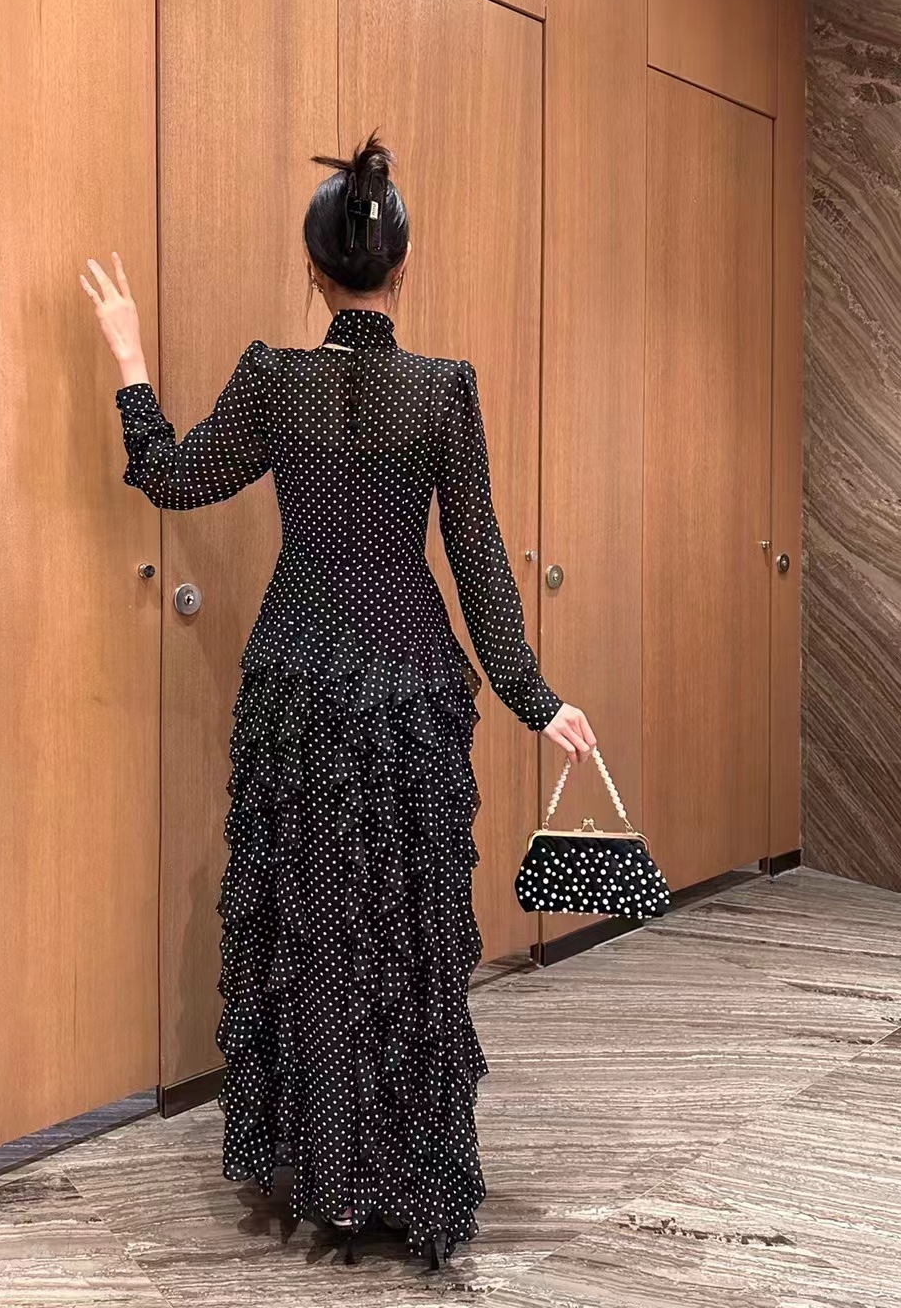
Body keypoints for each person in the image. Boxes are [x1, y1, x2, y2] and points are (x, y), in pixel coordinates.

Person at [80, 133, 596, 1271]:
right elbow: (478, 562)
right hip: (410, 691)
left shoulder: (277, 380)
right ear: (400, 271)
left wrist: (128, 355)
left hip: (300, 687)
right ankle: (405, 1174)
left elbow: (172, 476)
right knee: (406, 932)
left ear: (313, 272)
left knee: (315, 926)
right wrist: (534, 698)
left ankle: (326, 1171)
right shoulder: (443, 390)